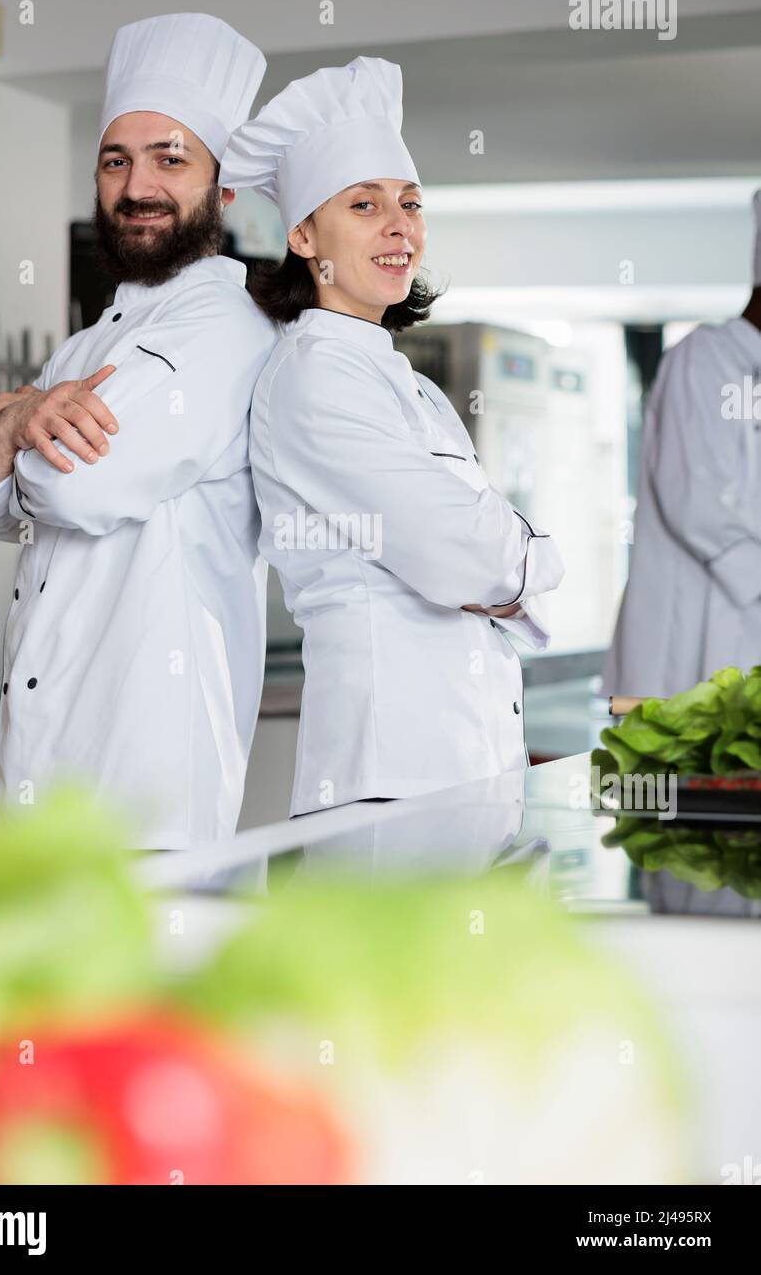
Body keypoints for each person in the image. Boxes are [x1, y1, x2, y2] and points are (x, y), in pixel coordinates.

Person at [0, 13, 276, 849]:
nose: (137, 186)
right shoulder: (87, 344)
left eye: (170, 158)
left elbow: (71, 485)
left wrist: (11, 430)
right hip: (37, 770)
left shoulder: (227, 328)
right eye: (116, 161)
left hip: (144, 781)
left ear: (223, 190)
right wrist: (18, 422)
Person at [219, 56, 565, 817]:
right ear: (306, 235)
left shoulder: (414, 389)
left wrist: (497, 568)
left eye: (410, 203)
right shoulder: (314, 379)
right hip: (386, 776)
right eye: (365, 206)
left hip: (469, 766)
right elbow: (461, 553)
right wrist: (518, 561)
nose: (399, 226)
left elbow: (475, 559)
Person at [603, 190, 761, 700]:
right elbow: (697, 503)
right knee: (679, 775)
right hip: (680, 659)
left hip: (740, 655)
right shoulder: (704, 358)